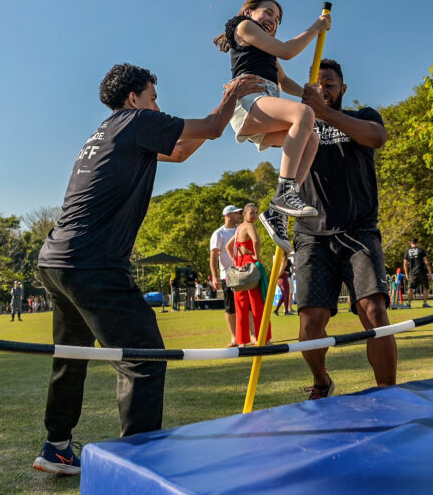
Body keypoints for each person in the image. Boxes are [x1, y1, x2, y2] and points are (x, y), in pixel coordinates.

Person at [31, 63, 261, 475]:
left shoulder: (109, 132)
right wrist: (234, 96)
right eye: (154, 97)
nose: (158, 106)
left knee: (71, 355)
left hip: (56, 260)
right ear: (134, 98)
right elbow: (209, 127)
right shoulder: (137, 121)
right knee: (145, 358)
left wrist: (220, 114)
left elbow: (184, 149)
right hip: (92, 261)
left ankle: (56, 447)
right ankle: (137, 464)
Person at [293, 59, 397, 399]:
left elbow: (377, 138)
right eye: (318, 83)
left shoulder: (363, 114)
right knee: (311, 321)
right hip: (311, 233)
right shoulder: (298, 118)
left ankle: (387, 390)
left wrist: (325, 112)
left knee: (374, 311)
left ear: (342, 88)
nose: (324, 88)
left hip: (358, 231)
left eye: (331, 84)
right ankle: (321, 381)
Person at [213, 0, 331, 240]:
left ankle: (279, 210)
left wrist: (310, 95)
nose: (272, 20)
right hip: (249, 102)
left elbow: (284, 81)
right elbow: (288, 51)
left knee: (312, 139)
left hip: (266, 106)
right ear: (248, 12)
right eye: (268, 12)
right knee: (303, 114)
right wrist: (316, 28)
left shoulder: (267, 52)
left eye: (277, 19)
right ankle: (284, 192)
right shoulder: (243, 27)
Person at [227, 204, 271, 346]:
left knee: (240, 306)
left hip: (239, 267)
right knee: (258, 303)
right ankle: (265, 338)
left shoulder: (238, 228)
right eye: (252, 213)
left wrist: (235, 260)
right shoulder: (249, 226)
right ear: (244, 213)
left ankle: (241, 342)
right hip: (250, 265)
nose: (254, 216)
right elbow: (256, 241)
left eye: (257, 213)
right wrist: (257, 258)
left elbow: (229, 246)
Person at [209, 205, 242, 345]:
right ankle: (234, 337)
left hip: (243, 274)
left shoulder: (240, 229)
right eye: (236, 214)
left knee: (245, 307)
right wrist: (214, 277)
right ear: (228, 215)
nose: (239, 216)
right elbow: (213, 257)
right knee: (231, 307)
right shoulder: (219, 233)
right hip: (227, 275)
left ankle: (245, 336)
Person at [404, 239, 433, 308]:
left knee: (410, 288)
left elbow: (405, 264)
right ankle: (425, 303)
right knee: (425, 287)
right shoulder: (421, 250)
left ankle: (409, 304)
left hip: (412, 272)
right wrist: (429, 272)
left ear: (411, 243)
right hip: (421, 271)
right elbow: (426, 262)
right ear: (417, 243)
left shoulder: (407, 251)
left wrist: (406, 274)